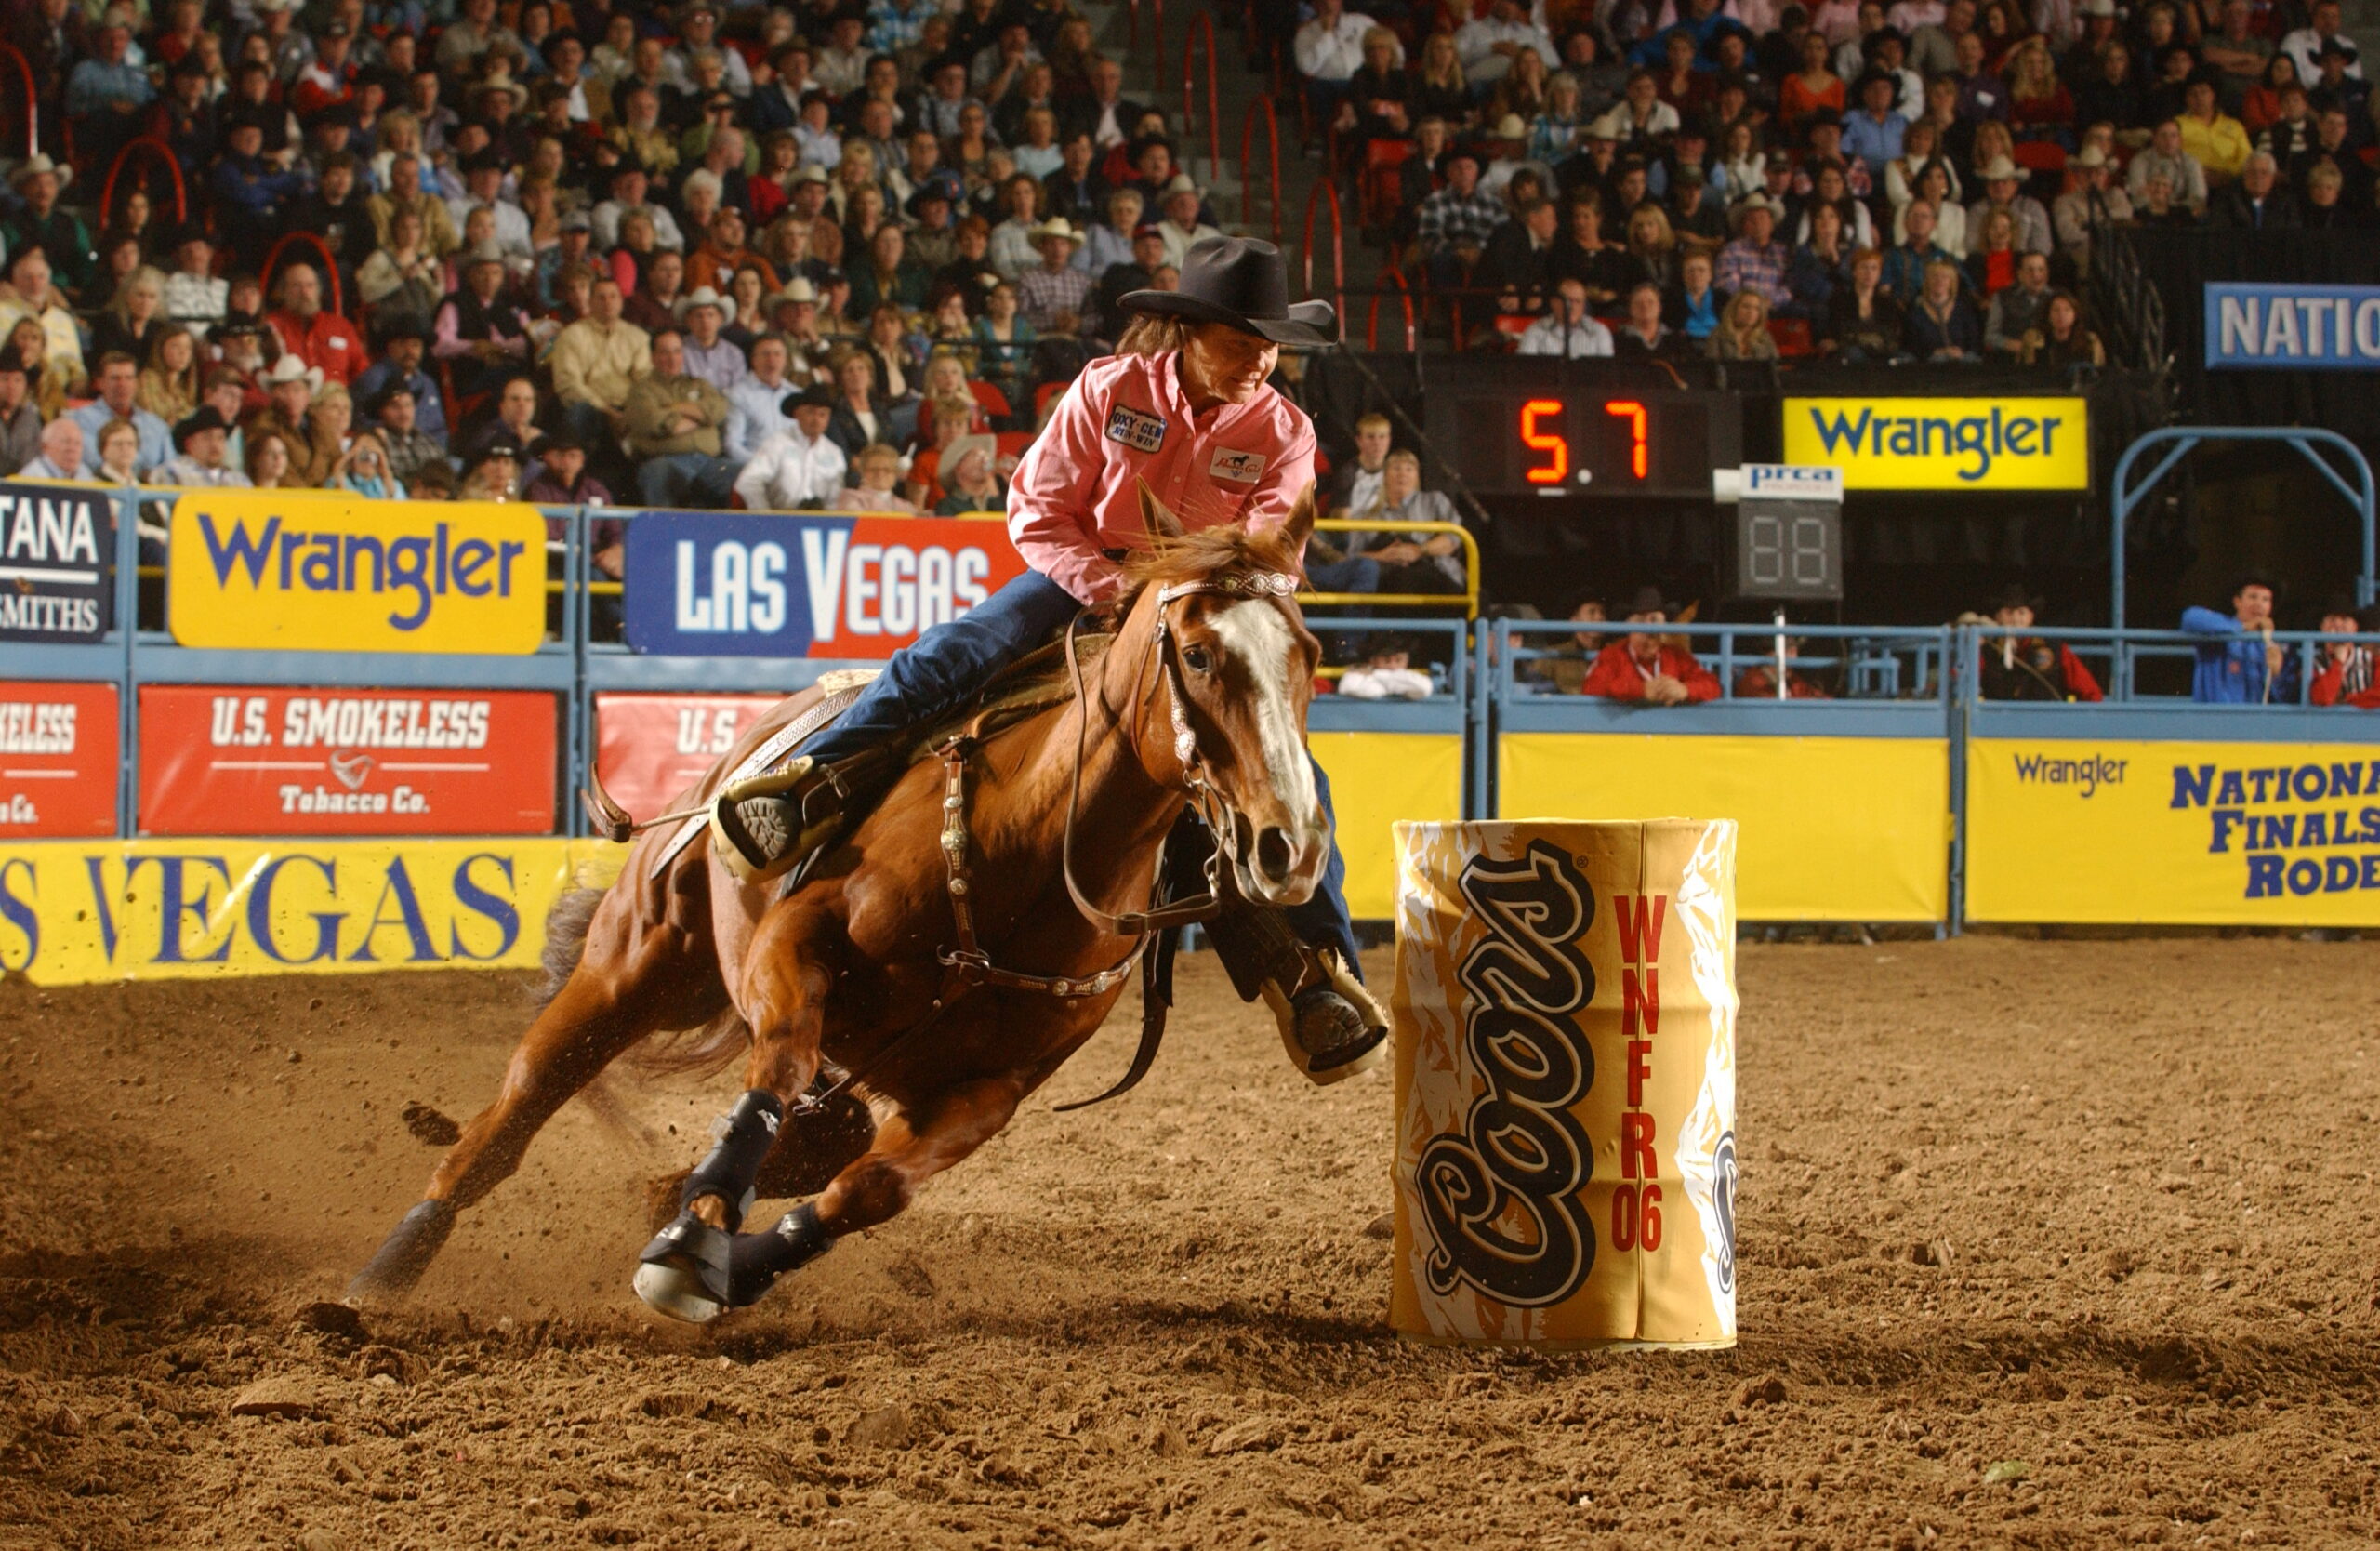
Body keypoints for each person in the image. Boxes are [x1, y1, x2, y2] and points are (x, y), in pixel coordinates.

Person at [707, 237, 1383, 1076]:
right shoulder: (1110, 390)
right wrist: (1109, 586)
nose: (1261, 362)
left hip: (1199, 610)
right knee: (948, 659)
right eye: (1243, 342)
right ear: (1188, 334)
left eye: (1271, 346)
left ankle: (1321, 973)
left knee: (1283, 770)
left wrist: (1201, 598)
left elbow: (1274, 550)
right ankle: (809, 783)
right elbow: (1035, 509)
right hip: (1084, 581)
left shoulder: (1283, 428)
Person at [626, 329, 736, 508]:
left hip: (707, 462)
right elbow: (658, 423)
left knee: (744, 473)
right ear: (653, 357)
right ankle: (662, 534)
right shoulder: (642, 390)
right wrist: (701, 419)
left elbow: (719, 409)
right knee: (658, 473)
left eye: (677, 351)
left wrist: (675, 409)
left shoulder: (698, 383)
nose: (672, 358)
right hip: (666, 460)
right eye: (665, 352)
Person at [1580, 586, 1722, 703]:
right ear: (1629, 628)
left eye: (1655, 622)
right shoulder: (1612, 655)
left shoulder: (1676, 655)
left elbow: (1712, 685)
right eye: (1641, 621)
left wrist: (1685, 690)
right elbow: (1591, 688)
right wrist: (1640, 690)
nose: (1649, 631)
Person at [1972, 586, 2102, 700]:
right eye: (2009, 613)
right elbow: (1961, 682)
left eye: (2021, 612)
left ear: (2031, 617)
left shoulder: (2054, 648)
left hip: (2045, 724)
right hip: (1999, 724)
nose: (2016, 619)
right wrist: (1972, 648)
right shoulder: (1986, 649)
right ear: (1997, 617)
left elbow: (2091, 692)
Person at [2182, 576, 2295, 703]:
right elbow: (2190, 618)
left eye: (2266, 599)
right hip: (2214, 717)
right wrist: (2242, 627)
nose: (2259, 604)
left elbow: (2283, 697)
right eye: (2253, 597)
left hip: (2254, 719)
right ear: (2237, 602)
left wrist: (2276, 674)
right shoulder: (2219, 630)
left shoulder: (2273, 644)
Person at [734, 387, 848, 510]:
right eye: (810, 412)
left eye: (823, 414)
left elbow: (835, 499)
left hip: (819, 523)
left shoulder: (834, 453)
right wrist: (764, 516)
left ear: (828, 418)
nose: (816, 419)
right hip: (780, 518)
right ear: (796, 414)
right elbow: (748, 481)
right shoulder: (777, 443)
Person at [70, 353, 174, 477]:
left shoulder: (157, 426)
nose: (122, 385)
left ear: (136, 383)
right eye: (115, 378)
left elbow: (171, 470)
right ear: (100, 383)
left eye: (129, 378)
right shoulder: (78, 421)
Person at [155, 406, 252, 488]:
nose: (215, 444)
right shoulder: (172, 473)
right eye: (206, 437)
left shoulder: (239, 480)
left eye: (220, 438)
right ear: (188, 444)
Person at [1516, 278, 1615, 356]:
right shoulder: (1535, 331)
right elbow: (1523, 373)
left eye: (1577, 302)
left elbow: (1608, 376)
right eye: (1567, 301)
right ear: (1553, 302)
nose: (1572, 307)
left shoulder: (1599, 332)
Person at [2311, 603, 2380, 709]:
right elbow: (2322, 699)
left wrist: (2347, 701)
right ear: (2322, 627)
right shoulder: (2313, 661)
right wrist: (2338, 663)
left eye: (2344, 619)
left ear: (2355, 627)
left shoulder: (2371, 659)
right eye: (2332, 619)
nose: (2338, 625)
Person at [1339, 639, 1435, 700]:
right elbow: (1347, 688)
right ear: (1373, 661)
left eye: (1398, 660)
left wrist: (1380, 676)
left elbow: (1424, 688)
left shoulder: (1412, 677)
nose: (1392, 666)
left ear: (1407, 661)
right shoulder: (1357, 674)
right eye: (1387, 660)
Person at [0, 354, 39, 476]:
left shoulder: (32, 419)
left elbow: (33, 459)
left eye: (18, 380)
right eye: (5, 379)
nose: (11, 386)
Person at [18, 418, 84, 483]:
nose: (72, 449)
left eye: (77, 443)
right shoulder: (31, 477)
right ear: (45, 447)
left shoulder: (84, 472)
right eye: (66, 442)